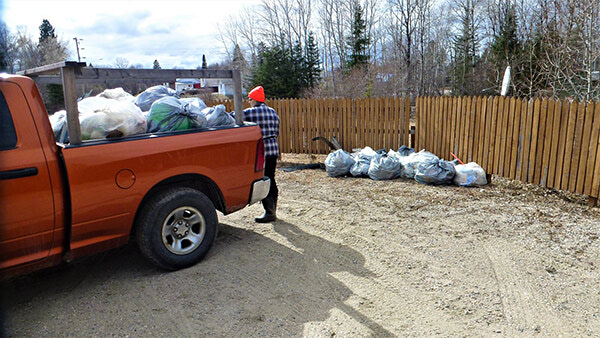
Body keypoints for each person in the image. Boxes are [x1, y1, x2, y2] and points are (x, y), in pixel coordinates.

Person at [244, 86, 280, 223]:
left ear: (254, 99)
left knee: (263, 180)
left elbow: (231, 118)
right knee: (271, 178)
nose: (249, 101)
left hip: (261, 151)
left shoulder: (249, 113)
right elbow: (276, 131)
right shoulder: (273, 112)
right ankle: (273, 209)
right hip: (273, 149)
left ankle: (269, 212)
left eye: (250, 99)